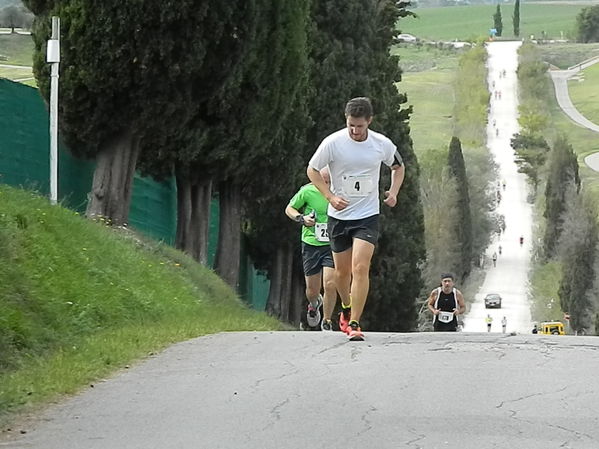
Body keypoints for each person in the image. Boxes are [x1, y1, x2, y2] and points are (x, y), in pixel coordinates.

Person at [307, 97, 405, 341]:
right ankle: (346, 306)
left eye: (359, 126)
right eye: (351, 125)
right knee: (341, 274)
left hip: (367, 215)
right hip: (339, 216)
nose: (354, 130)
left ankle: (354, 322)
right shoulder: (333, 143)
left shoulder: (381, 144)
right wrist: (329, 197)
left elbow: (398, 166)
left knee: (360, 267)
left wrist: (393, 192)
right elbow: (312, 170)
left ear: (369, 122)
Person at [285, 167, 336, 331]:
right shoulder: (307, 191)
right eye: (324, 181)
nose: (327, 184)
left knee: (330, 283)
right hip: (311, 244)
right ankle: (314, 303)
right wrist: (302, 218)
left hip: (332, 245)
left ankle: (327, 321)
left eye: (329, 181)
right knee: (312, 290)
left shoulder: (339, 192)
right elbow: (289, 209)